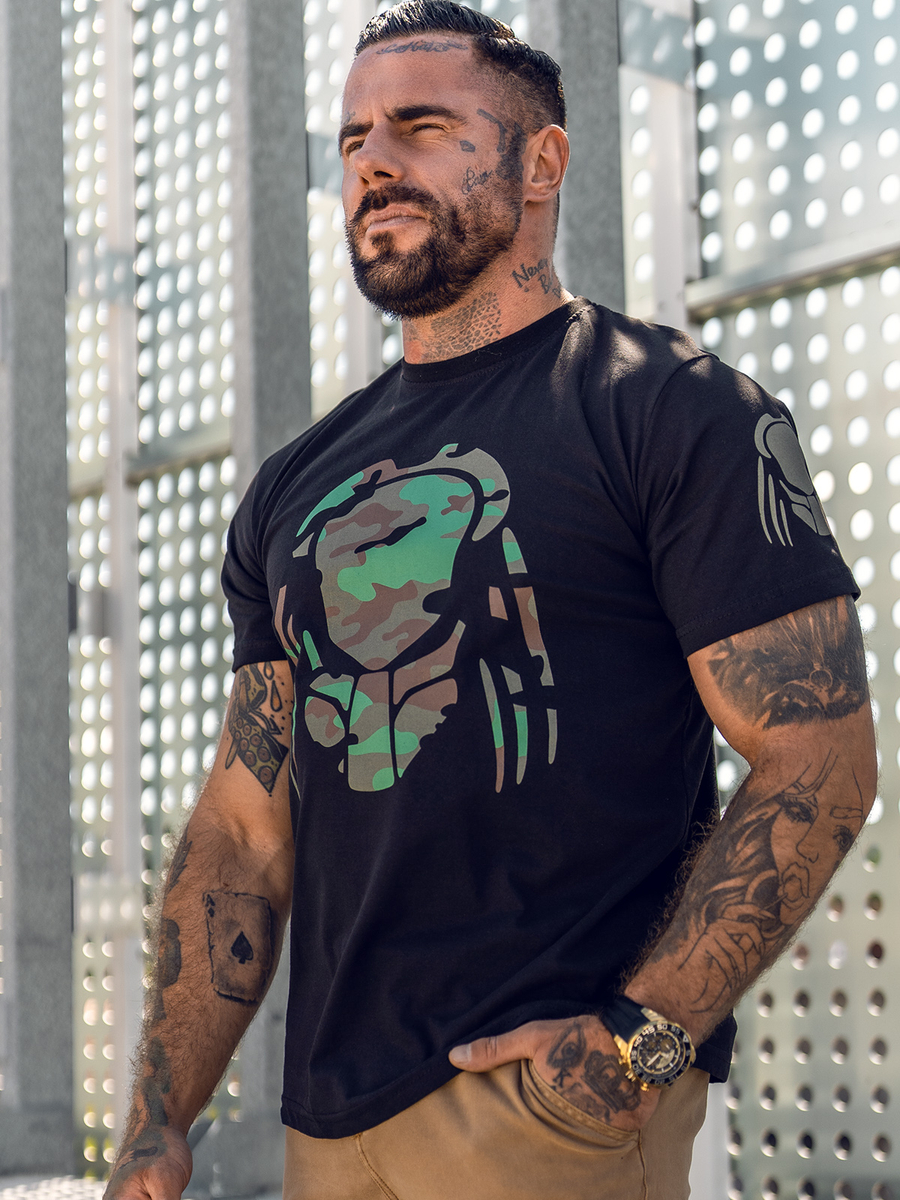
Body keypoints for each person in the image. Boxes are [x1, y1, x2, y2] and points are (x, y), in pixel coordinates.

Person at [106, 3, 877, 1198]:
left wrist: (638, 1049)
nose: (373, 162)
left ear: (541, 162)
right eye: (354, 138)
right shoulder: (294, 485)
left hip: (545, 1111)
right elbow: (245, 829)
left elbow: (818, 756)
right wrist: (158, 1120)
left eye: (420, 126)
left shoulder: (666, 408)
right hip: (329, 1125)